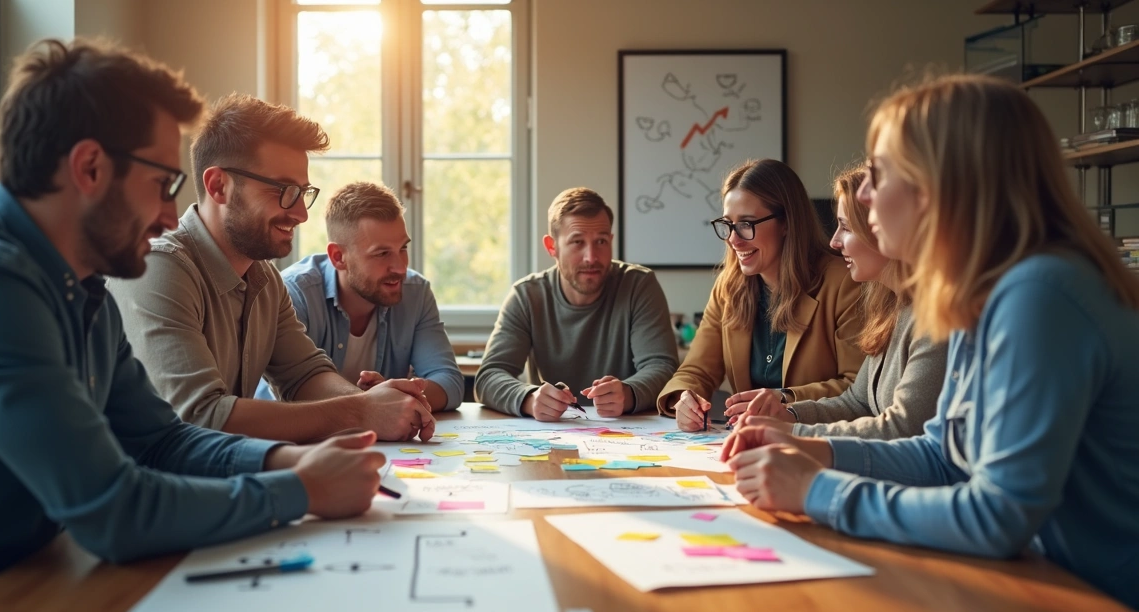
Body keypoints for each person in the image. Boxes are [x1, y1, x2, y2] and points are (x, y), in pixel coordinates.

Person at [0, 39, 385, 612]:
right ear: (90, 167)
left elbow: (160, 438)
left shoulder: (85, 285)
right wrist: (303, 489)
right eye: (162, 184)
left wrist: (285, 461)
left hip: (39, 580)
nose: (170, 215)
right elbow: (112, 509)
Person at [724, 75, 1139, 611]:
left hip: (1093, 606)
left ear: (941, 183)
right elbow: (944, 456)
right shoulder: (985, 293)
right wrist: (811, 449)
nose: (865, 193)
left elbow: (997, 517)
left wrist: (814, 490)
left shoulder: (1040, 295)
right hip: (1035, 587)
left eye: (879, 173)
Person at [108, 94, 434, 444]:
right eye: (283, 191)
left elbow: (304, 375)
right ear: (219, 185)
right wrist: (361, 411)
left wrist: (370, 401)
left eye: (303, 192)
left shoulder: (264, 278)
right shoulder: (158, 267)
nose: (301, 213)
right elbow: (200, 418)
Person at [731, 165, 945, 440]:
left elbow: (903, 429)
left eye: (845, 227)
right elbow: (858, 403)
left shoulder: (934, 320)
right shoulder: (890, 309)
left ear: (884, 229)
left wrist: (792, 433)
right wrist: (789, 414)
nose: (834, 242)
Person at [657, 159, 865, 432]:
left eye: (746, 224)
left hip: (817, 442)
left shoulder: (843, 283)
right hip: (752, 444)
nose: (734, 239)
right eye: (728, 224)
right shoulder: (727, 288)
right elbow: (696, 370)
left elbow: (857, 387)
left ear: (787, 223)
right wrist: (684, 398)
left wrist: (784, 399)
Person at [255, 181, 464, 411]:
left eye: (402, 249)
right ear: (338, 257)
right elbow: (277, 397)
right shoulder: (294, 294)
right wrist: (373, 404)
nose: (400, 268)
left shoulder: (415, 292)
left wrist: (395, 397)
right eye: (382, 253)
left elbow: (450, 382)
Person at [475, 187, 678, 420]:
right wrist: (529, 398)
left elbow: (663, 367)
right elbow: (488, 377)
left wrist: (629, 393)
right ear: (552, 247)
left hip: (628, 432)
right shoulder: (527, 296)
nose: (591, 257)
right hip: (550, 435)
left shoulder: (639, 286)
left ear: (611, 240)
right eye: (577, 242)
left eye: (601, 241)